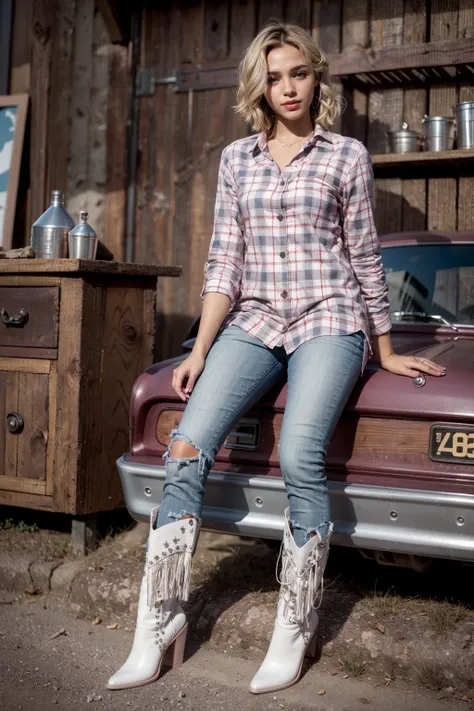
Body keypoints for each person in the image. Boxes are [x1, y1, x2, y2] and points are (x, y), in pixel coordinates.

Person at [107, 22, 446, 695]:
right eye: (274, 76)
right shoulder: (238, 160)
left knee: (299, 455)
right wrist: (200, 350)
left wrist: (384, 347)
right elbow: (223, 261)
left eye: (298, 73)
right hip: (255, 319)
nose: (287, 87)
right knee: (184, 447)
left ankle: (294, 622)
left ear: (316, 77)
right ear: (258, 87)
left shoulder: (345, 155)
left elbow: (365, 258)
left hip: (330, 318)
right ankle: (160, 620)